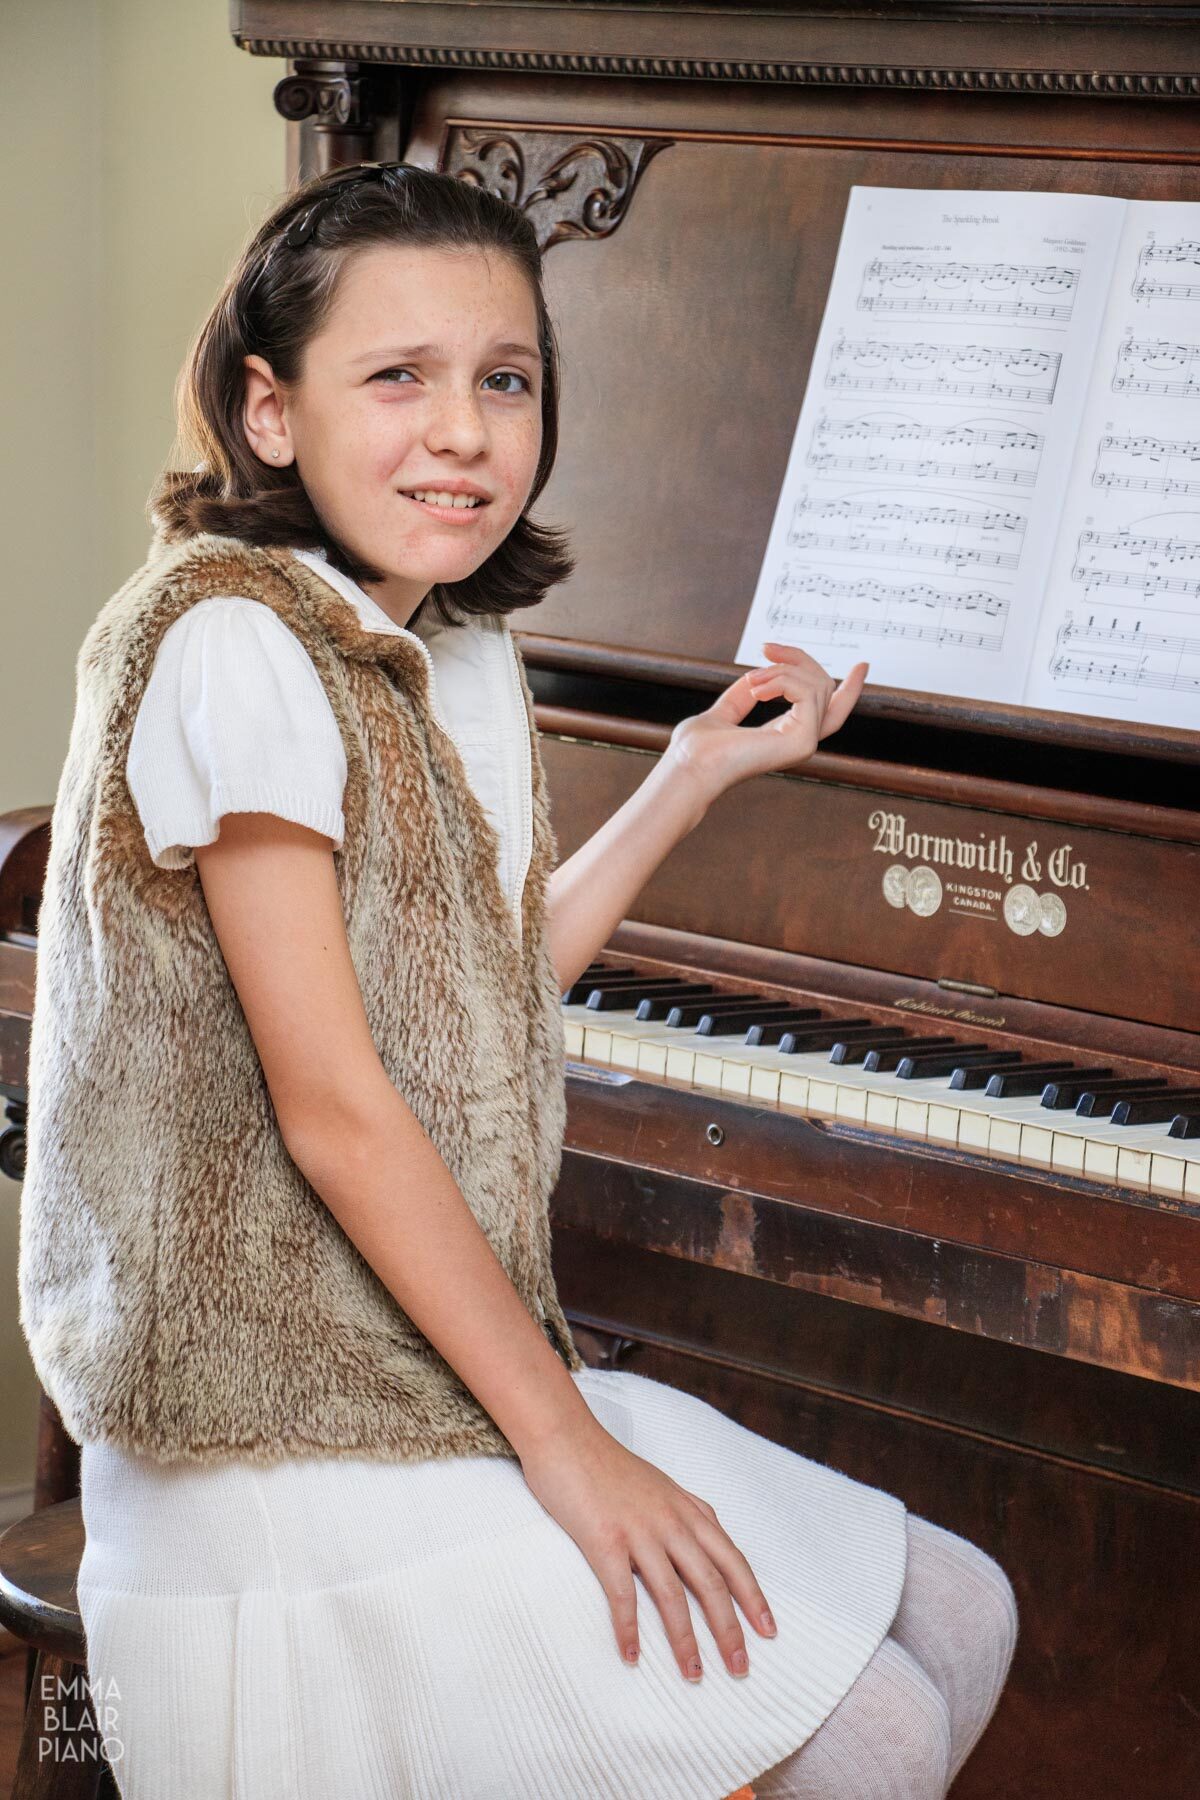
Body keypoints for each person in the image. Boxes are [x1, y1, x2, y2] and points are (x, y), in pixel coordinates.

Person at [19, 161, 1017, 1799]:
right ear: (270, 413)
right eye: (395, 377)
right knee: (881, 1724)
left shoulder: (441, 642)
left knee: (965, 1607)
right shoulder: (229, 642)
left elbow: (463, 1005)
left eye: (505, 380)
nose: (464, 431)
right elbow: (342, 1110)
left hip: (396, 1360)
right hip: (267, 1430)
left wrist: (687, 774)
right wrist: (574, 1445)